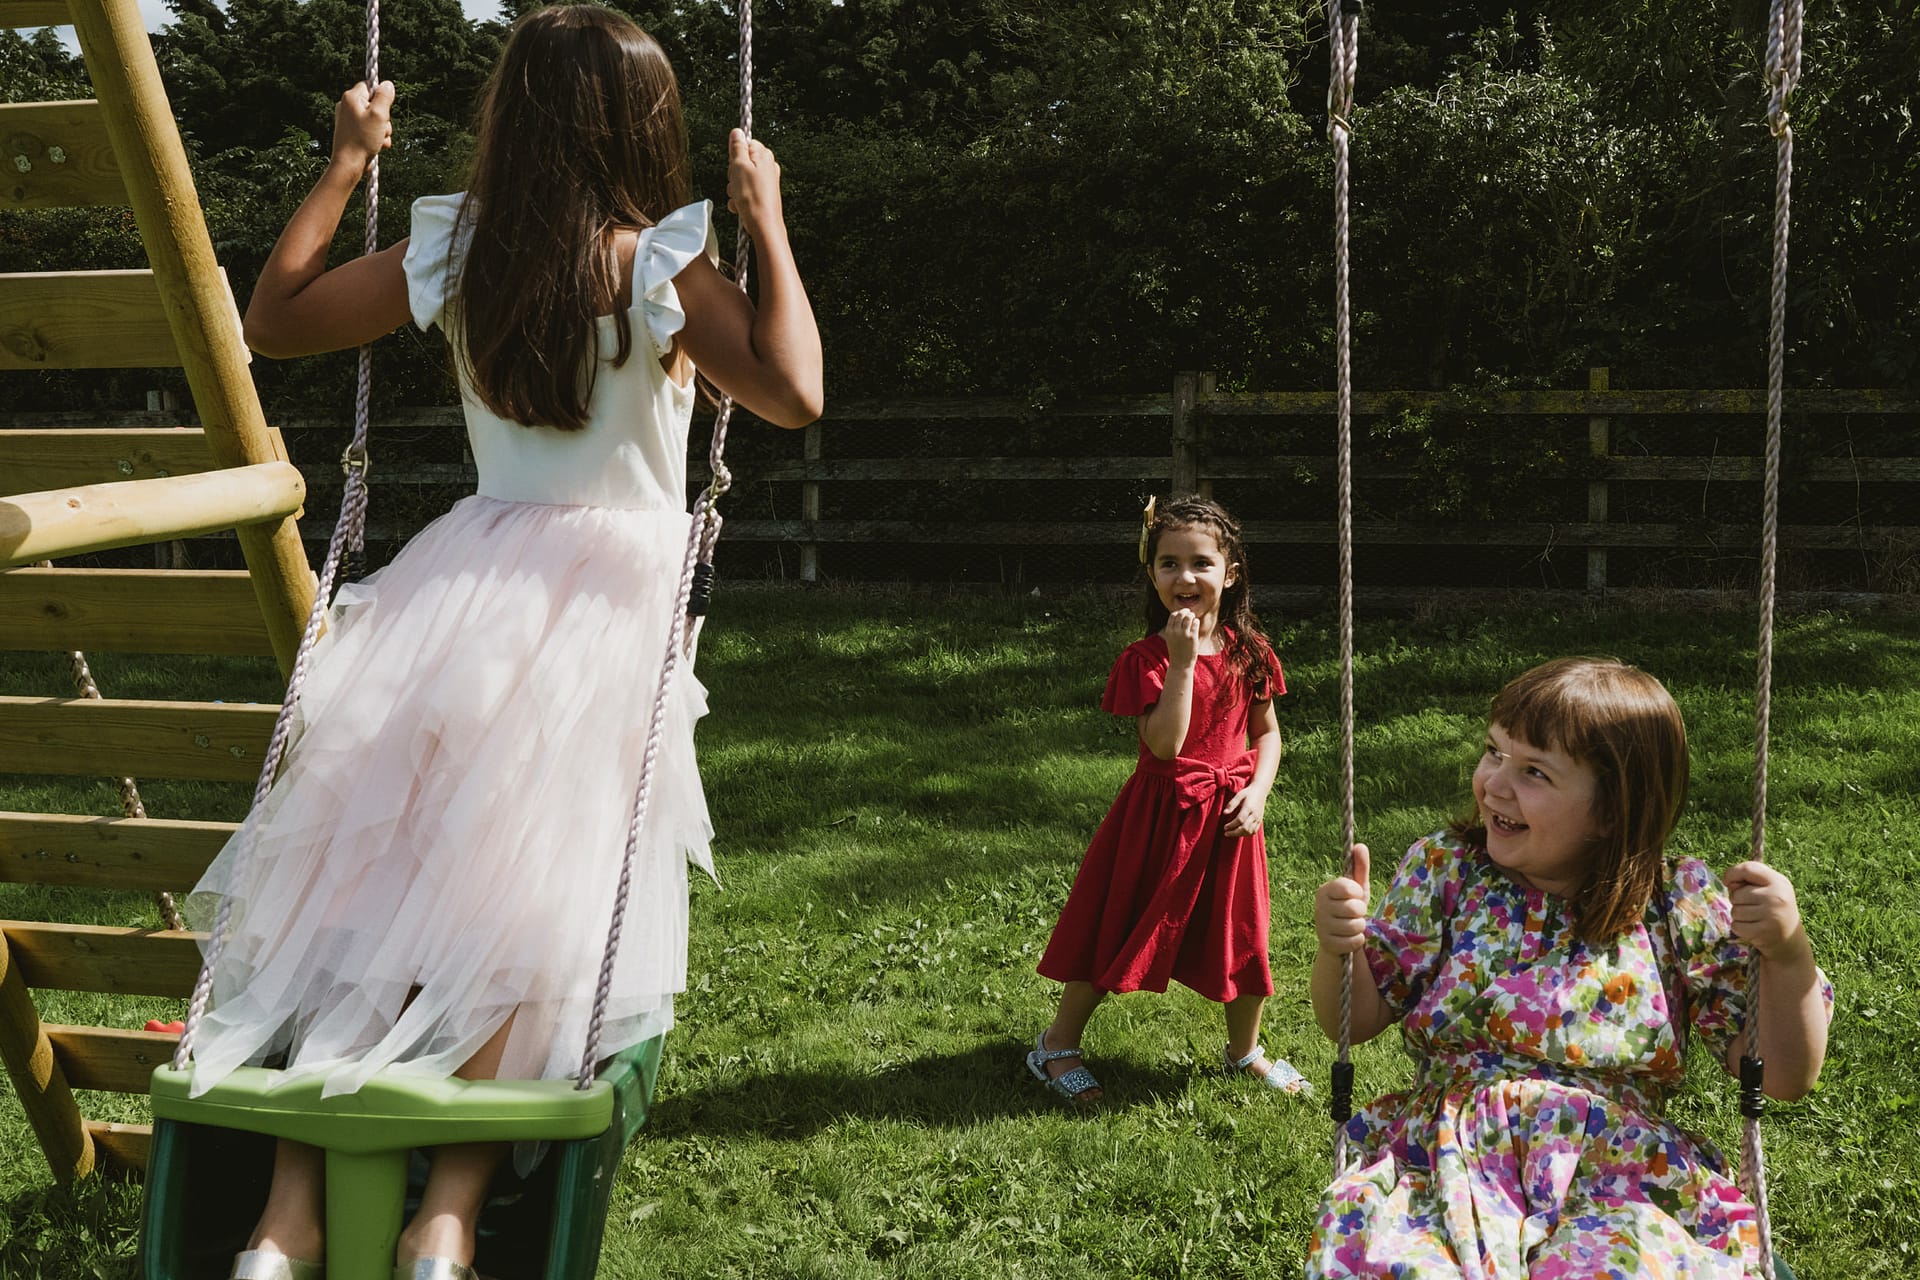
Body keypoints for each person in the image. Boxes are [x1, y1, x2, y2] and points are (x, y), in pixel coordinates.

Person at [189, 8, 821, 1278]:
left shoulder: (459, 248)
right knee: (533, 901)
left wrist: (345, 166)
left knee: (365, 890)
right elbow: (795, 390)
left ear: (511, 120)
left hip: (462, 587)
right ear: (644, 123)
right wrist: (767, 222)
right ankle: (446, 1219)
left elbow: (276, 319)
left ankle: (286, 1217)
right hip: (606, 606)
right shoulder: (660, 261)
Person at [1308, 657, 1832, 1279]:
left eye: (1534, 771)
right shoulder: (1447, 873)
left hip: (1619, 1175)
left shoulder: (1676, 903)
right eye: (1494, 752)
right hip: (1451, 1159)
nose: (1495, 784)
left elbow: (1782, 1076)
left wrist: (1788, 953)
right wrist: (1339, 948)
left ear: (1613, 809)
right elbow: (1355, 1019)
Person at [1030, 495, 1308, 1104]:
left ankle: (1244, 1051)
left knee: (1243, 936)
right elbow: (1165, 744)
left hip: (1230, 819)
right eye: (1168, 563)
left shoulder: (1251, 652)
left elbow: (1266, 735)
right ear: (1152, 574)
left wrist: (1258, 791)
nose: (1185, 576)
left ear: (1229, 574)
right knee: (1118, 928)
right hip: (1159, 820)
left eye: (1201, 562)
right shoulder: (1147, 659)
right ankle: (1055, 1045)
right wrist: (1181, 664)